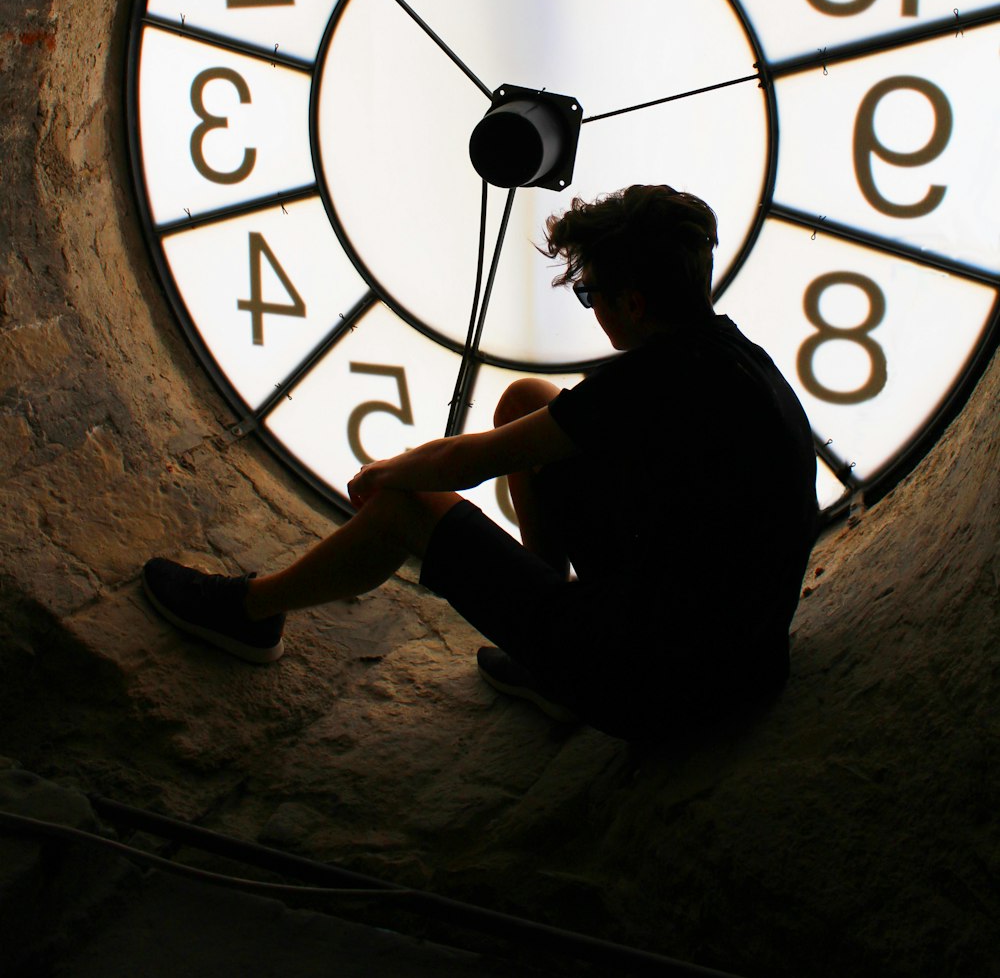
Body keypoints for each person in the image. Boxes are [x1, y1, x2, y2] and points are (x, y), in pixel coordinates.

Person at [143, 185, 818, 741]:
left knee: (406, 507)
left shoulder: (646, 385)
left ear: (633, 304)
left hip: (659, 690)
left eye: (592, 297)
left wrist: (390, 473)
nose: (592, 311)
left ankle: (252, 613)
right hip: (734, 661)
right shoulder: (731, 359)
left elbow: (471, 462)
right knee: (528, 398)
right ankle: (546, 659)